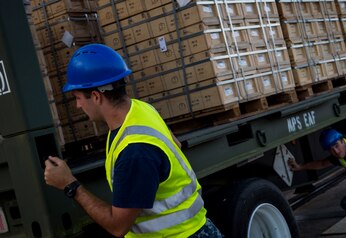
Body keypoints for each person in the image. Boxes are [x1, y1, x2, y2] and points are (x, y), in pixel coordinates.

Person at [44, 44, 223, 237]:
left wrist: (70, 185)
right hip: (197, 229)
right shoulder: (140, 108)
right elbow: (176, 145)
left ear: (96, 96)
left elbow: (117, 226)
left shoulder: (135, 151)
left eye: (78, 98)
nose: (78, 106)